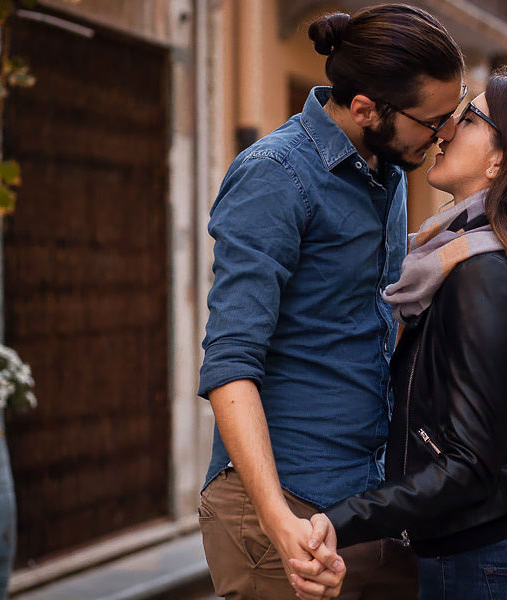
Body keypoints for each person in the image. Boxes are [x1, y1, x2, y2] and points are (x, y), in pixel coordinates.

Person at [284, 75, 507, 600]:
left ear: (501, 161)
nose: (446, 128)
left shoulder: (485, 272)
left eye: (469, 119)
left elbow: (467, 464)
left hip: (488, 563)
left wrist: (340, 520)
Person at [196, 6, 465, 599]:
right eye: (436, 119)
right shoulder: (275, 175)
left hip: (363, 504)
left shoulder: (386, 170)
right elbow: (230, 364)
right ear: (366, 109)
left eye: (458, 111)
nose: (447, 132)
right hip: (285, 508)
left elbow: (369, 307)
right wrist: (279, 524)